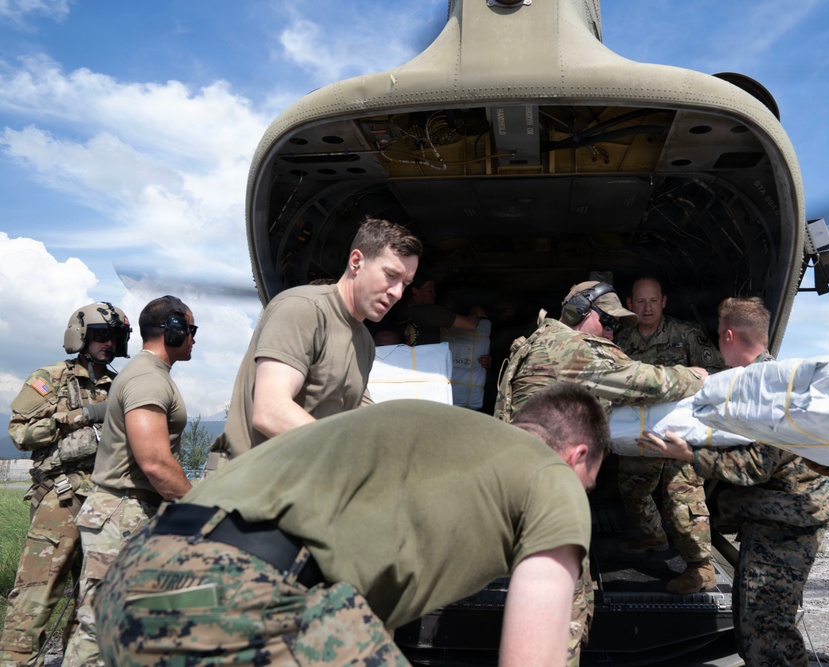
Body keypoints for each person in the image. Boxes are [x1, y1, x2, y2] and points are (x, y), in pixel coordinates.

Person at [93, 383, 609, 667]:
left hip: (135, 582)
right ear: (577, 455)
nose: (577, 499)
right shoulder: (552, 474)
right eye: (586, 484)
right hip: (244, 598)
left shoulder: (436, 435)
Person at [494, 279, 708, 664]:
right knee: (563, 612)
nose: (613, 332)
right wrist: (697, 376)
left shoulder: (534, 342)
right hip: (547, 495)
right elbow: (648, 382)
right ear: (583, 314)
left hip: (519, 487)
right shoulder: (575, 348)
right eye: (608, 323)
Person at [639, 297, 829, 667]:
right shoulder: (757, 381)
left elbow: (756, 466)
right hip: (771, 517)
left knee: (768, 628)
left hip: (789, 521)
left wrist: (689, 454)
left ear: (728, 336)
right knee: (750, 621)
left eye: (718, 337)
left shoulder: (770, 387)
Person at [207, 218, 422, 467]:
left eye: (405, 284)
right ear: (356, 262)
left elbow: (361, 415)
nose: (397, 292)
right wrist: (349, 456)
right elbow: (271, 412)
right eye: (390, 275)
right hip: (248, 486)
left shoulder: (363, 341)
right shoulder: (303, 308)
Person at [61, 296, 197, 667]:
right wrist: (201, 509)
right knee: (100, 622)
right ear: (173, 329)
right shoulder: (147, 379)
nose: (193, 340)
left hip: (130, 512)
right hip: (123, 513)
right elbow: (153, 461)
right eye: (191, 330)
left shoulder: (148, 375)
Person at [0, 303, 130, 667]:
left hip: (106, 501)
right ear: (82, 337)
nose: (108, 343)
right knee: (36, 596)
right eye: (101, 335)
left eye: (114, 337)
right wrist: (76, 416)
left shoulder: (120, 385)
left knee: (94, 600)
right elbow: (20, 433)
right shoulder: (52, 377)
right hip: (60, 498)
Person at [614, 276, 727, 595]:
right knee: (633, 491)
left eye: (653, 301)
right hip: (640, 433)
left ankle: (700, 568)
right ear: (630, 304)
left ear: (663, 302)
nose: (647, 308)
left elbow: (717, 374)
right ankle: (654, 535)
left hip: (681, 434)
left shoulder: (686, 333)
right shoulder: (622, 341)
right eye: (641, 302)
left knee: (683, 498)